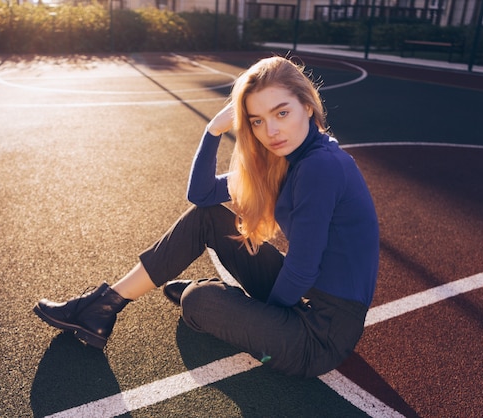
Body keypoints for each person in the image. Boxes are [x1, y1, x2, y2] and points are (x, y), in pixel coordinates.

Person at [33, 56, 379, 378]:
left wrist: (263, 314)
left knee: (196, 303)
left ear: (307, 105)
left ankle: (212, 298)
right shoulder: (285, 159)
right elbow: (202, 197)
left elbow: (303, 268)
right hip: (307, 299)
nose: (270, 130)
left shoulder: (320, 167)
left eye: (281, 113)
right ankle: (105, 304)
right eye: (257, 121)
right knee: (207, 218)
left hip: (321, 336)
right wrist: (213, 130)